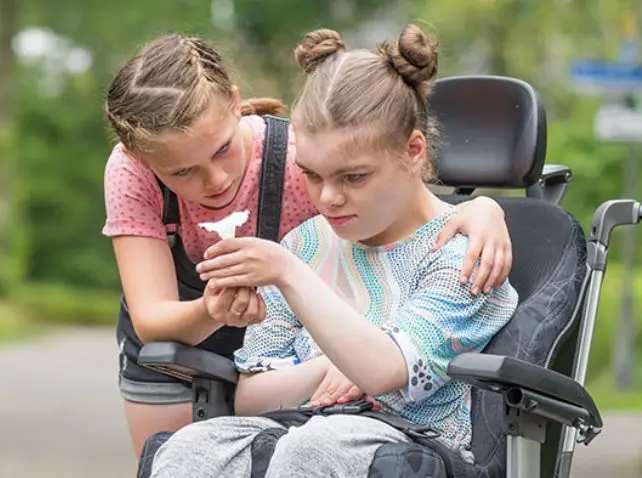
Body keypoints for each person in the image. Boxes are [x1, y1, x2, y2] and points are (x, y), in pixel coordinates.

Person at [102, 29, 514, 458]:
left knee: (314, 446)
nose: (328, 197)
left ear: (235, 105)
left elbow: (398, 191)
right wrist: (321, 356)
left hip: (395, 440)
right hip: (250, 373)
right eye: (314, 176)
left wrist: (486, 208)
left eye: (350, 178)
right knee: (185, 451)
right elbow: (247, 396)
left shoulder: (456, 254)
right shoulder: (305, 242)